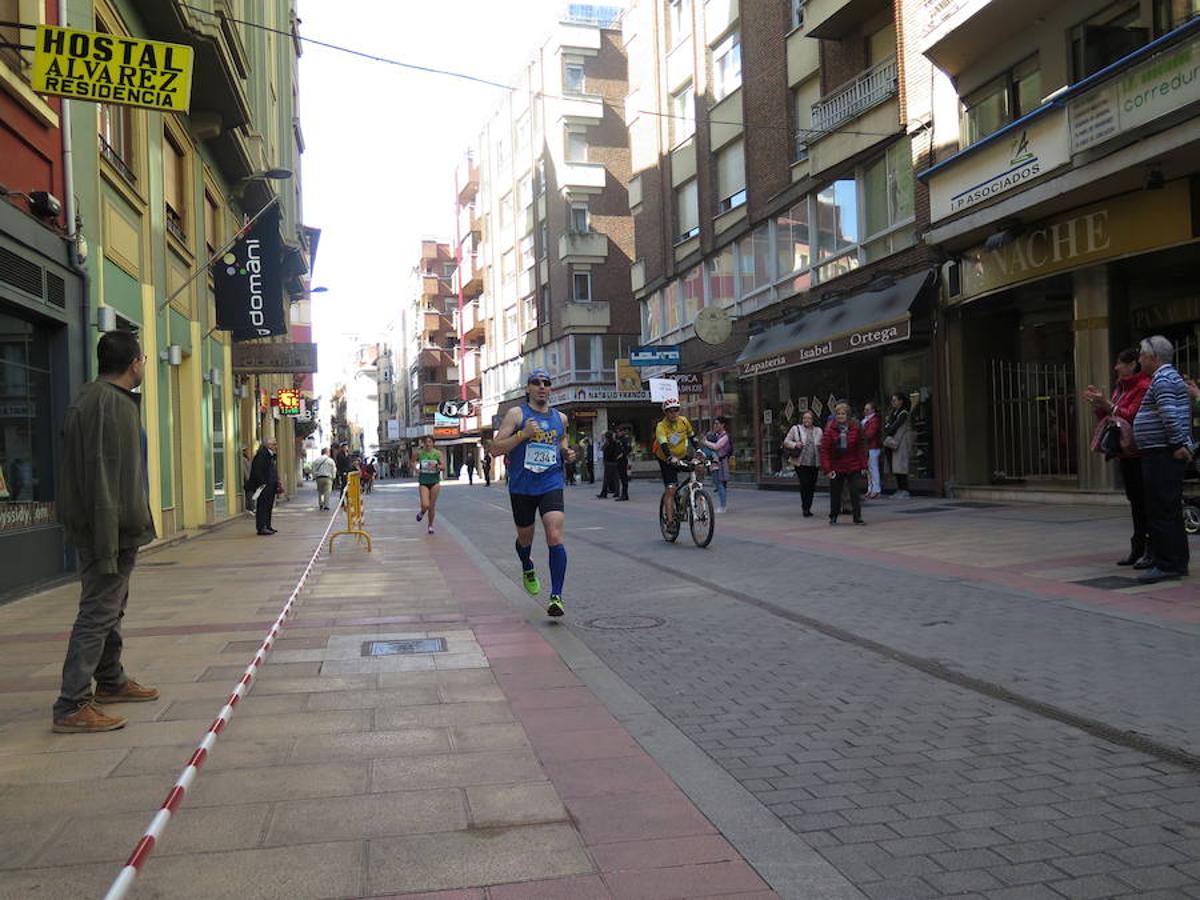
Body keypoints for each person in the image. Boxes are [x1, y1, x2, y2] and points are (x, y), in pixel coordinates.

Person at [53, 330, 158, 733]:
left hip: (115, 528)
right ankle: (71, 703)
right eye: (143, 359)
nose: (144, 365)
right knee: (97, 612)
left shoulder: (104, 400)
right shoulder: (103, 405)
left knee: (109, 608)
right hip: (107, 530)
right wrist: (107, 539)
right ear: (134, 363)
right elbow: (98, 474)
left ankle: (111, 681)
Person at [490, 368, 575, 617]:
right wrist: (522, 434)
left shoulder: (560, 418)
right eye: (536, 383)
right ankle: (527, 565)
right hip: (522, 486)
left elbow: (562, 441)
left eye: (546, 383)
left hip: (551, 482)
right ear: (528, 388)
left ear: (551, 388)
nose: (541, 387)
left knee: (555, 535)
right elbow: (495, 448)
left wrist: (566, 453)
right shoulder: (517, 414)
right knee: (525, 538)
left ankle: (556, 596)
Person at [1132, 335, 1193, 583]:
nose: (1139, 359)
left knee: (1161, 509)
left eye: (1142, 355)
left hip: (1162, 453)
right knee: (1168, 508)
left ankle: (1168, 564)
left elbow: (1169, 414)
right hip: (1162, 451)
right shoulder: (1168, 378)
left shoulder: (1163, 380)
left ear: (1154, 357)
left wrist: (1178, 443)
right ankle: (1175, 562)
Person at [1085, 348, 1151, 567]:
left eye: (1120, 363)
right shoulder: (1119, 388)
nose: (1116, 368)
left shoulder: (1143, 387)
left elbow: (1132, 416)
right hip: (1125, 452)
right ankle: (1138, 547)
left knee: (1144, 501)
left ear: (1132, 364)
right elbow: (1111, 416)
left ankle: (1148, 548)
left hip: (1139, 452)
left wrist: (1108, 405)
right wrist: (1099, 406)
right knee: (1135, 501)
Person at [820, 403, 867, 525]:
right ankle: (833, 516)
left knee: (855, 492)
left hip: (853, 465)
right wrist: (827, 469)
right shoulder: (830, 430)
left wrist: (864, 466)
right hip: (836, 466)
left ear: (848, 415)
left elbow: (860, 448)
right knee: (836, 493)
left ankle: (857, 517)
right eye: (838, 414)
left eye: (843, 414)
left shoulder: (855, 428)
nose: (841, 416)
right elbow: (824, 450)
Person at [654, 399, 696, 528]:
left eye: (676, 410)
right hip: (666, 459)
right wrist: (670, 458)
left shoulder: (683, 421)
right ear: (665, 413)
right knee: (671, 490)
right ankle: (670, 521)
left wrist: (699, 450)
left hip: (682, 455)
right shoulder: (661, 426)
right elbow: (663, 444)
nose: (674, 413)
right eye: (670, 411)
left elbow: (692, 437)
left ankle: (693, 495)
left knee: (698, 466)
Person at [783, 410, 822, 517]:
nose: (807, 420)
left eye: (809, 418)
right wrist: (796, 444)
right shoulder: (796, 429)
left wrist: (820, 446)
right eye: (805, 418)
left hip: (814, 462)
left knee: (812, 485)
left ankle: (809, 506)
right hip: (801, 462)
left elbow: (822, 444)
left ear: (813, 420)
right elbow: (786, 441)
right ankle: (805, 508)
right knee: (804, 484)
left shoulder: (818, 430)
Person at [247, 439, 281, 535]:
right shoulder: (262, 455)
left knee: (268, 506)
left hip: (270, 485)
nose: (276, 446)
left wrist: (277, 480)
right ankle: (262, 527)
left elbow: (272, 470)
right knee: (262, 506)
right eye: (274, 444)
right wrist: (263, 483)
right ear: (268, 445)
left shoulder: (270, 455)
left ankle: (267, 525)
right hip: (265, 485)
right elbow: (258, 471)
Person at [883, 393, 913, 498]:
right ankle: (900, 489)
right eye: (892, 400)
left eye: (894, 400)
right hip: (895, 442)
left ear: (901, 401)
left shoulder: (903, 413)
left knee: (901, 466)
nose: (893, 403)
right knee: (896, 467)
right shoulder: (894, 413)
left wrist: (888, 428)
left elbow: (894, 426)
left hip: (902, 441)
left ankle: (905, 490)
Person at [700, 415, 733, 513]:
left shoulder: (725, 436)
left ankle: (723, 506)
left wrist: (705, 442)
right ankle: (723, 504)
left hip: (721, 463)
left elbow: (717, 447)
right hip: (715, 463)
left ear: (723, 425)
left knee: (720, 484)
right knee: (719, 484)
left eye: (717, 424)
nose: (715, 425)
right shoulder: (717, 435)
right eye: (714, 423)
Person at [415, 436, 443, 535]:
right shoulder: (419, 453)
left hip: (435, 481)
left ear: (433, 443)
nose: (428, 444)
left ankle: (430, 526)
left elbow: (443, 466)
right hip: (423, 481)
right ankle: (422, 512)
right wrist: (416, 468)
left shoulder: (437, 453)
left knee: (432, 506)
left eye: (430, 442)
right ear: (423, 443)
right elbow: (413, 462)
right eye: (426, 442)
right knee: (425, 504)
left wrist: (436, 466)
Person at [861, 401, 883, 499]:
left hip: (873, 447)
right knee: (868, 470)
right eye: (865, 409)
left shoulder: (874, 420)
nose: (865, 411)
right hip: (867, 447)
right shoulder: (866, 420)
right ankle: (870, 489)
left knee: (873, 469)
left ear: (873, 410)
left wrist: (861, 438)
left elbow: (870, 433)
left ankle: (876, 490)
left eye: (867, 409)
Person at [597, 431, 619, 499]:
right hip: (614, 462)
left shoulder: (608, 443)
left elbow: (602, 449)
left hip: (609, 462)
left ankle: (604, 493)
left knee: (606, 479)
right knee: (615, 478)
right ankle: (616, 492)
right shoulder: (614, 443)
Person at [614, 426, 631, 501]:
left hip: (623, 460)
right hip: (619, 460)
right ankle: (623, 494)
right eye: (617, 432)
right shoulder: (619, 439)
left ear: (623, 432)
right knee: (621, 477)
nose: (618, 433)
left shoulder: (625, 439)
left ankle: (624, 495)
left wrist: (623, 454)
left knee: (624, 478)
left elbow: (628, 448)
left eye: (619, 432)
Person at [240, 447, 253, 512]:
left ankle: (250, 506)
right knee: (249, 493)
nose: (247, 451)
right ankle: (250, 506)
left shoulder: (247, 458)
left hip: (250, 478)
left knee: (250, 493)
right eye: (245, 450)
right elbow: (244, 470)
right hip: (247, 479)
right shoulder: (243, 459)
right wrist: (248, 478)